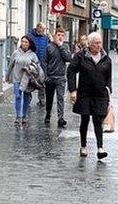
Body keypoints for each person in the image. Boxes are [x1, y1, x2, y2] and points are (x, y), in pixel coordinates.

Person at [68, 32, 112, 160]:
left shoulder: (106, 58)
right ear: (90, 44)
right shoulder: (81, 56)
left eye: (100, 43)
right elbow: (71, 70)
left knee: (98, 121)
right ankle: (83, 146)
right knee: (85, 120)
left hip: (100, 95)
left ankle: (100, 148)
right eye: (96, 43)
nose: (99, 45)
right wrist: (73, 90)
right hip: (85, 94)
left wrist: (109, 93)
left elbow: (109, 78)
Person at [6, 35, 40, 125]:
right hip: (17, 78)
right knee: (17, 96)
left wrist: (32, 70)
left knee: (26, 97)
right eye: (22, 42)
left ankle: (24, 115)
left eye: (26, 42)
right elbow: (11, 65)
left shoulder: (33, 55)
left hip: (27, 80)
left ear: (29, 44)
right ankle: (18, 116)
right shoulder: (16, 53)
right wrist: (7, 76)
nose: (24, 44)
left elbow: (37, 67)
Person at [44, 27, 72, 127]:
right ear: (55, 35)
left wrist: (60, 46)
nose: (60, 37)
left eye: (62, 35)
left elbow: (68, 58)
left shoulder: (65, 46)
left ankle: (61, 118)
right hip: (50, 77)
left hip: (61, 77)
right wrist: (46, 76)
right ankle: (48, 113)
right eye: (58, 35)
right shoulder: (49, 46)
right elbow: (45, 62)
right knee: (49, 97)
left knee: (60, 98)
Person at [26, 23, 49, 116]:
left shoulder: (45, 38)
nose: (43, 31)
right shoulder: (29, 36)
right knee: (29, 81)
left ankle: (42, 99)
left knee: (42, 81)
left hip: (42, 63)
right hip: (31, 62)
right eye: (42, 29)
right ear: (38, 28)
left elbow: (47, 49)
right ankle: (28, 99)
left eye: (44, 30)